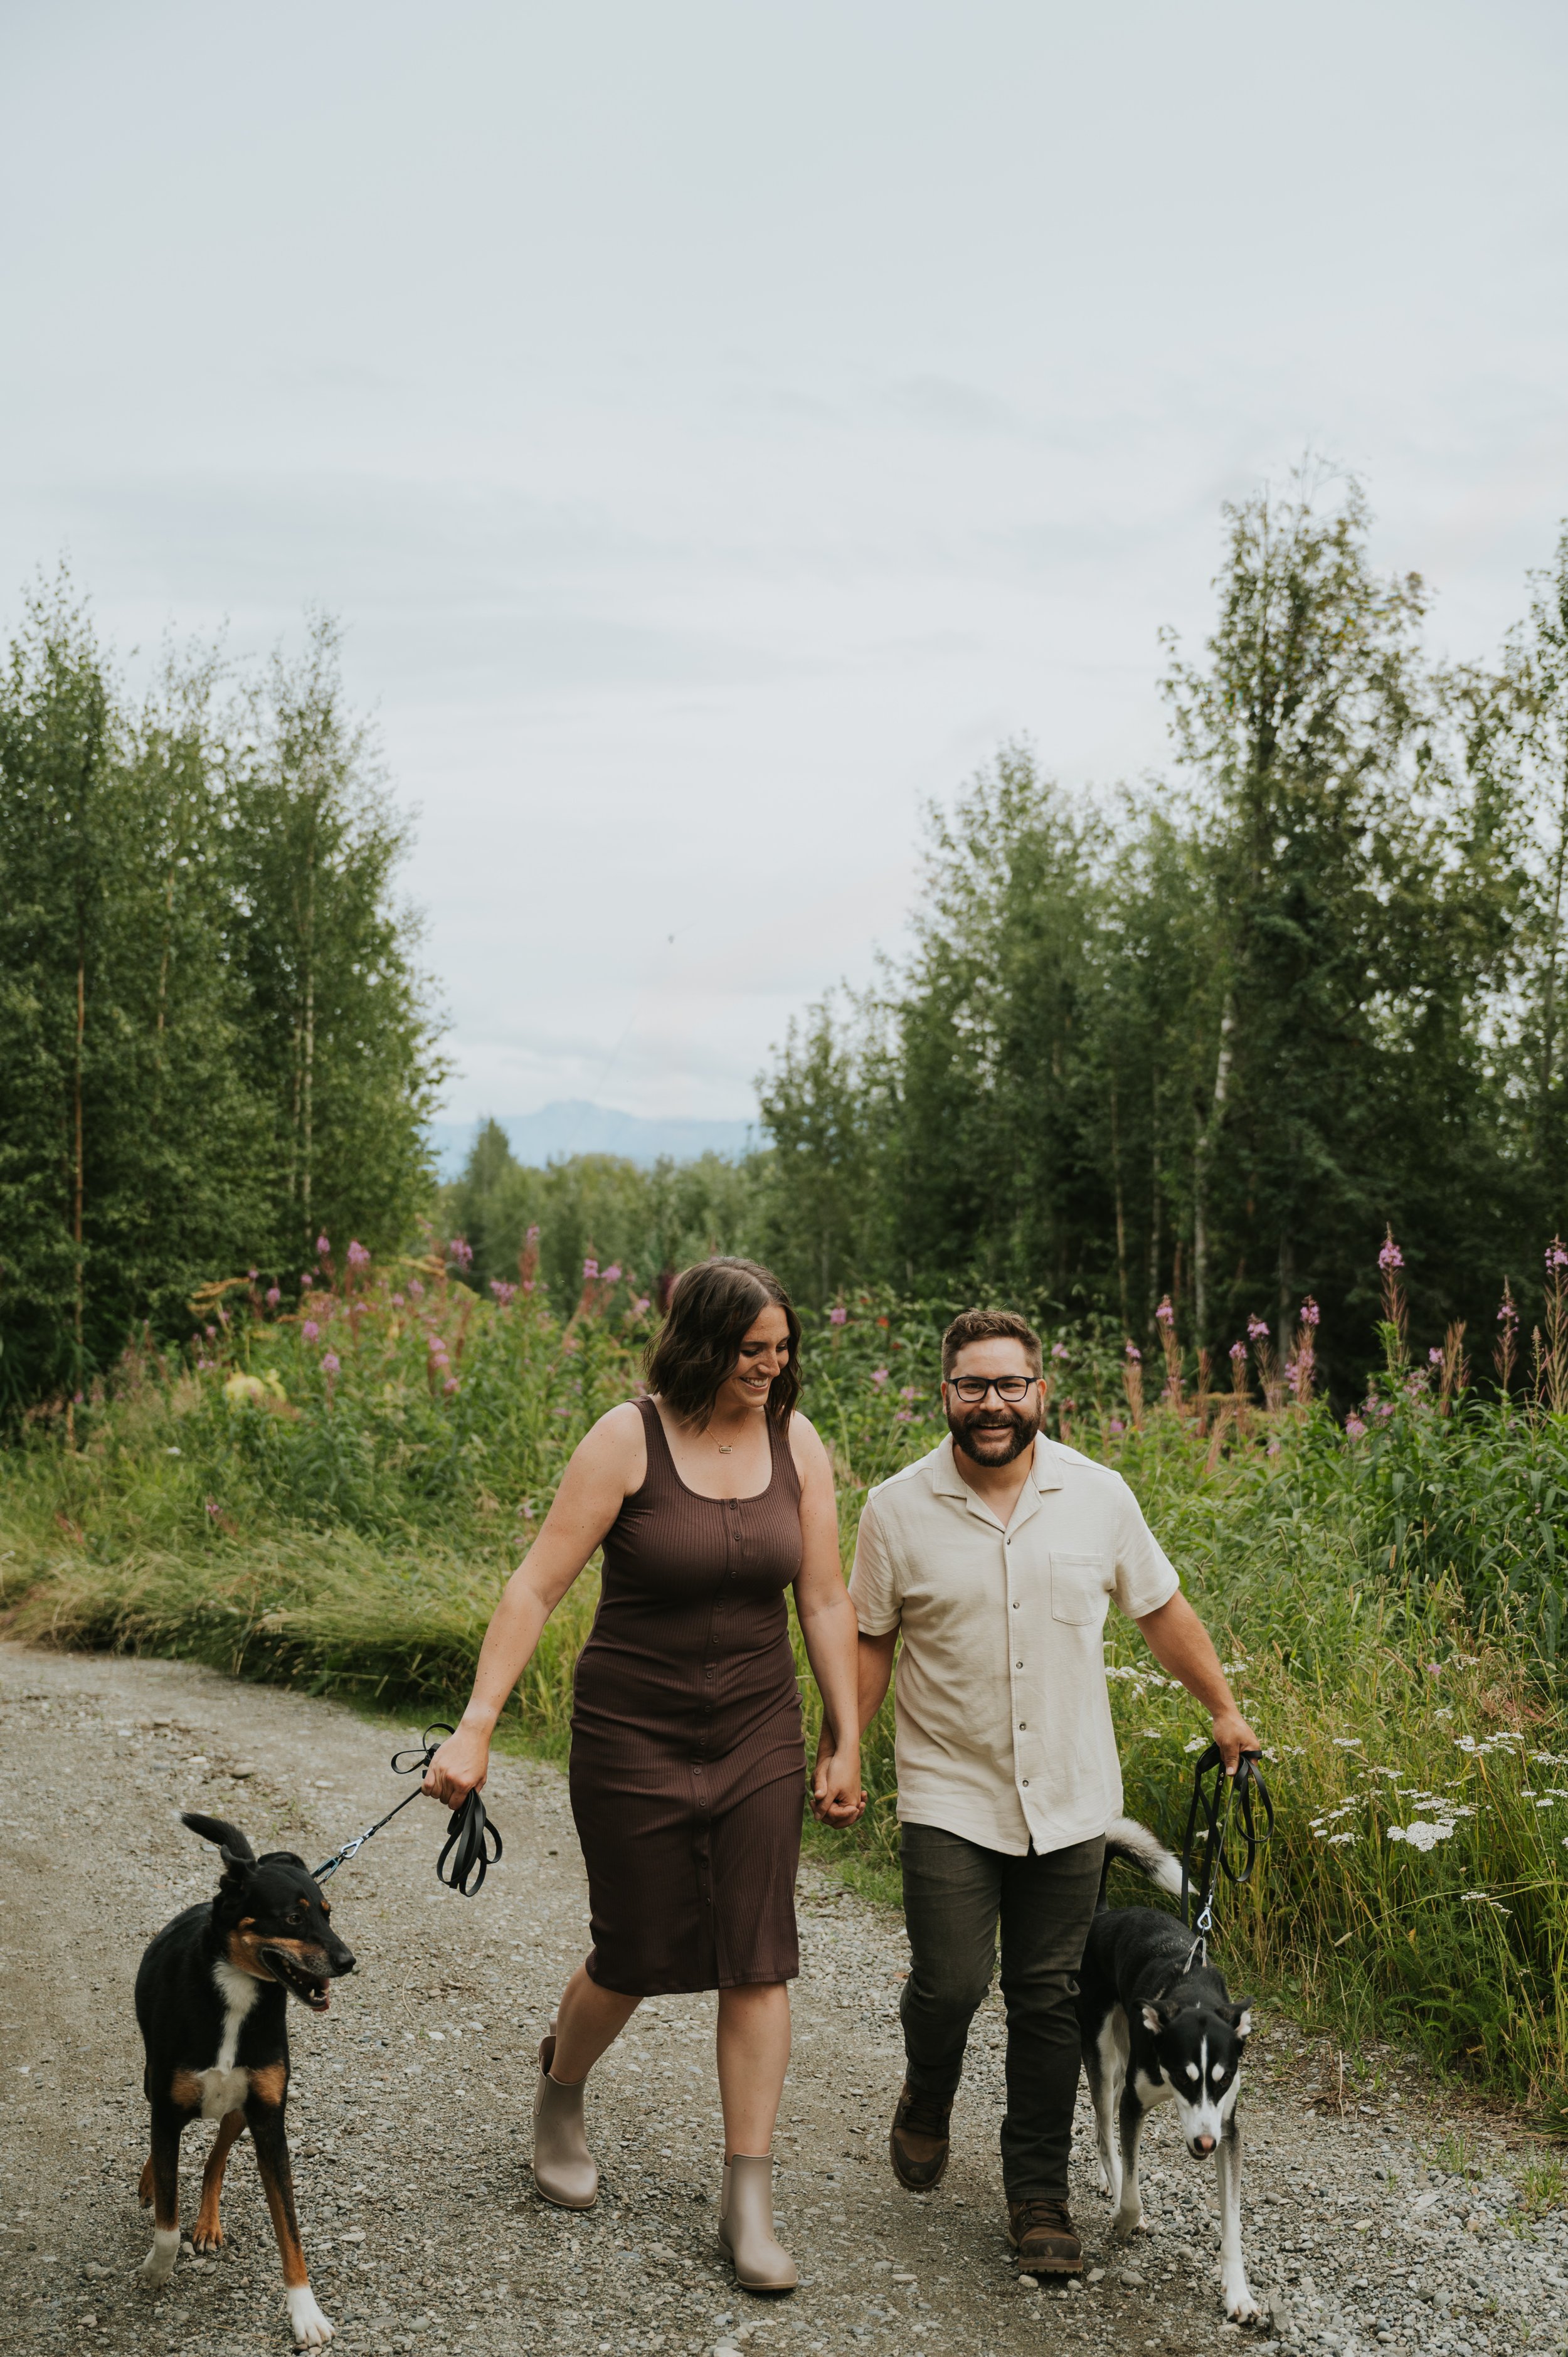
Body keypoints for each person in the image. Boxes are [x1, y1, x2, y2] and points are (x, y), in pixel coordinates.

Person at [425, 1258, 864, 2292]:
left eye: (783, 1351)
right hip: (632, 1728)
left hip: (758, 1726)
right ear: (702, 1345)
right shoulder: (626, 1438)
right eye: (753, 1352)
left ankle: (747, 2200)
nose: (772, 1368)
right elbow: (534, 1587)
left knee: (759, 1953)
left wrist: (846, 1736)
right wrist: (475, 1726)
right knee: (634, 1948)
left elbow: (828, 1600)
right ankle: (561, 2089)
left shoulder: (798, 1444)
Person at [827, 1307, 1258, 2275]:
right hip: (949, 1791)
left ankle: (1039, 2197)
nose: (992, 1404)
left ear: (1039, 1392)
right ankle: (928, 2089)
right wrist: (844, 1747)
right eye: (972, 1386)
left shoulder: (1098, 1495)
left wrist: (1223, 1709)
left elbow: (1159, 1606)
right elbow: (869, 1637)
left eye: (1009, 1385)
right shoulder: (896, 1508)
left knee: (1048, 1999)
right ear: (945, 1393)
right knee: (950, 1983)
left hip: (1071, 1796)